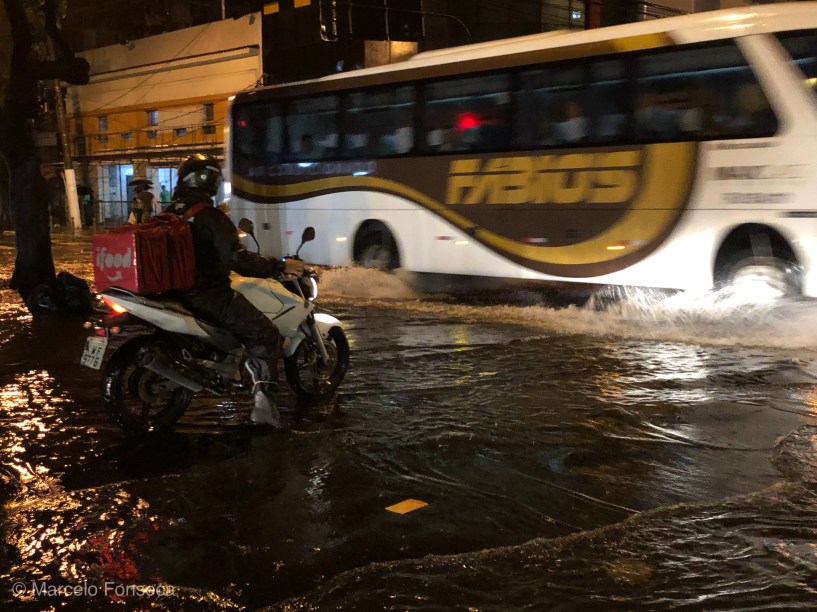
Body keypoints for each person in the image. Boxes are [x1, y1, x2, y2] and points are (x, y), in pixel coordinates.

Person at [169, 153, 305, 427]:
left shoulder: (170, 212)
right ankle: (264, 407)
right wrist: (279, 266)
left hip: (172, 293)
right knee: (264, 333)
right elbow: (237, 260)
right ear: (210, 181)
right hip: (208, 295)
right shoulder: (210, 216)